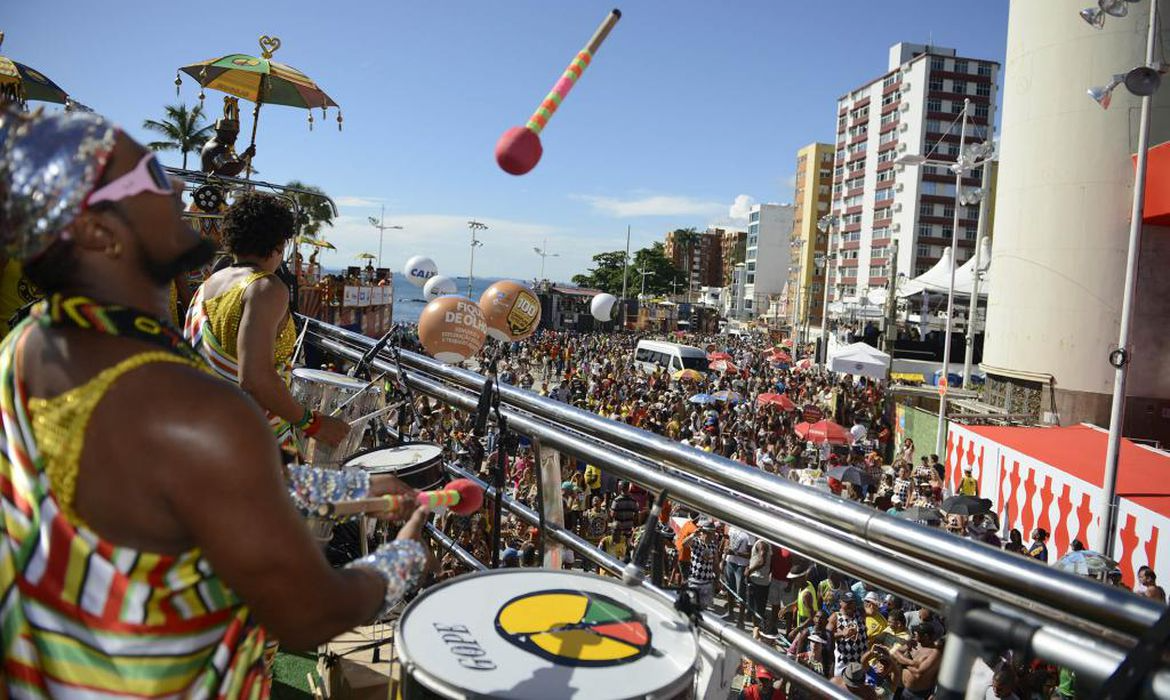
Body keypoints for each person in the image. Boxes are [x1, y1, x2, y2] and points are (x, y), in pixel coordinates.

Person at [0, 107, 427, 696]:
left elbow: (202, 483)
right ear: (100, 234)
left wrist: (355, 489)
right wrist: (401, 563)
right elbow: (309, 610)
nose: (177, 184)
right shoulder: (192, 409)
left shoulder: (25, 345)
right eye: (149, 177)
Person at [185, 192, 349, 457]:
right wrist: (313, 423)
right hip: (247, 439)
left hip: (203, 428)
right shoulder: (265, 288)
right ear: (278, 244)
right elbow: (254, 379)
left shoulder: (208, 285)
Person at [889, 624, 943, 699]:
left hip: (919, 694)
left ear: (926, 636)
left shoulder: (934, 653)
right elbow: (895, 652)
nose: (914, 636)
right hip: (904, 689)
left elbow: (918, 672)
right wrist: (912, 663)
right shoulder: (915, 643)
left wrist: (902, 662)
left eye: (916, 634)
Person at [828, 593, 868, 678]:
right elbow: (827, 634)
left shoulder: (860, 613)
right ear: (840, 602)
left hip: (861, 661)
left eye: (852, 602)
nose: (850, 605)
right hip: (844, 662)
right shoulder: (836, 617)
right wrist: (842, 634)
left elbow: (872, 610)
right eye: (847, 602)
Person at [683, 519, 720, 610]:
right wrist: (693, 535)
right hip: (694, 581)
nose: (712, 535)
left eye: (713, 532)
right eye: (710, 532)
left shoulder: (713, 546)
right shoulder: (696, 542)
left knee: (703, 608)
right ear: (704, 532)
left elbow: (715, 564)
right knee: (691, 606)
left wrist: (717, 579)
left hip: (706, 582)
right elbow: (684, 544)